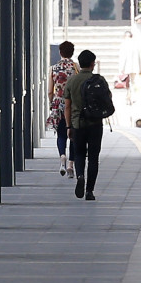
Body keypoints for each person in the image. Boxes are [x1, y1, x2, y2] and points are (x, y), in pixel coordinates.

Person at [63, 49, 102, 201]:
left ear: (79, 64)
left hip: (77, 124)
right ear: (93, 64)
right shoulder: (99, 80)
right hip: (95, 124)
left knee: (79, 154)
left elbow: (67, 106)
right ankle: (90, 191)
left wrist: (68, 126)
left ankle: (80, 175)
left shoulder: (72, 81)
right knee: (93, 157)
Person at [46, 40, 77, 178]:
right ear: (72, 52)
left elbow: (49, 91)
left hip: (58, 104)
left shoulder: (53, 68)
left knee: (61, 134)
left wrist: (52, 102)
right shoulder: (75, 67)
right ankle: (71, 164)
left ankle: (62, 156)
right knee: (74, 135)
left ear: (60, 52)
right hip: (73, 104)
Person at [118, 28, 141, 104]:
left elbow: (123, 57)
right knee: (133, 82)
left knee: (127, 83)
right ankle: (132, 97)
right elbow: (140, 57)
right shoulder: (136, 44)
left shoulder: (124, 44)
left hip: (127, 67)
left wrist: (121, 68)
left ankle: (128, 97)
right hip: (135, 67)